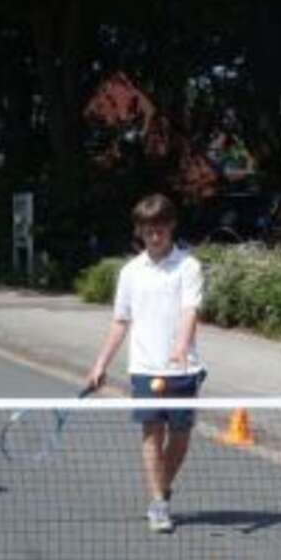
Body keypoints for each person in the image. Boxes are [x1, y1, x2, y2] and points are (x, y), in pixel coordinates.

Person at [86, 193, 205, 533]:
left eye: (161, 228)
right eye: (148, 229)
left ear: (172, 226)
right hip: (143, 368)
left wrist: (181, 346)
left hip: (183, 369)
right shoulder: (130, 272)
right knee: (152, 434)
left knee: (180, 438)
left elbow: (190, 310)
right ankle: (158, 502)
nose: (155, 235)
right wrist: (100, 364)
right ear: (139, 230)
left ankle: (161, 489)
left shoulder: (189, 266)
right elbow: (120, 321)